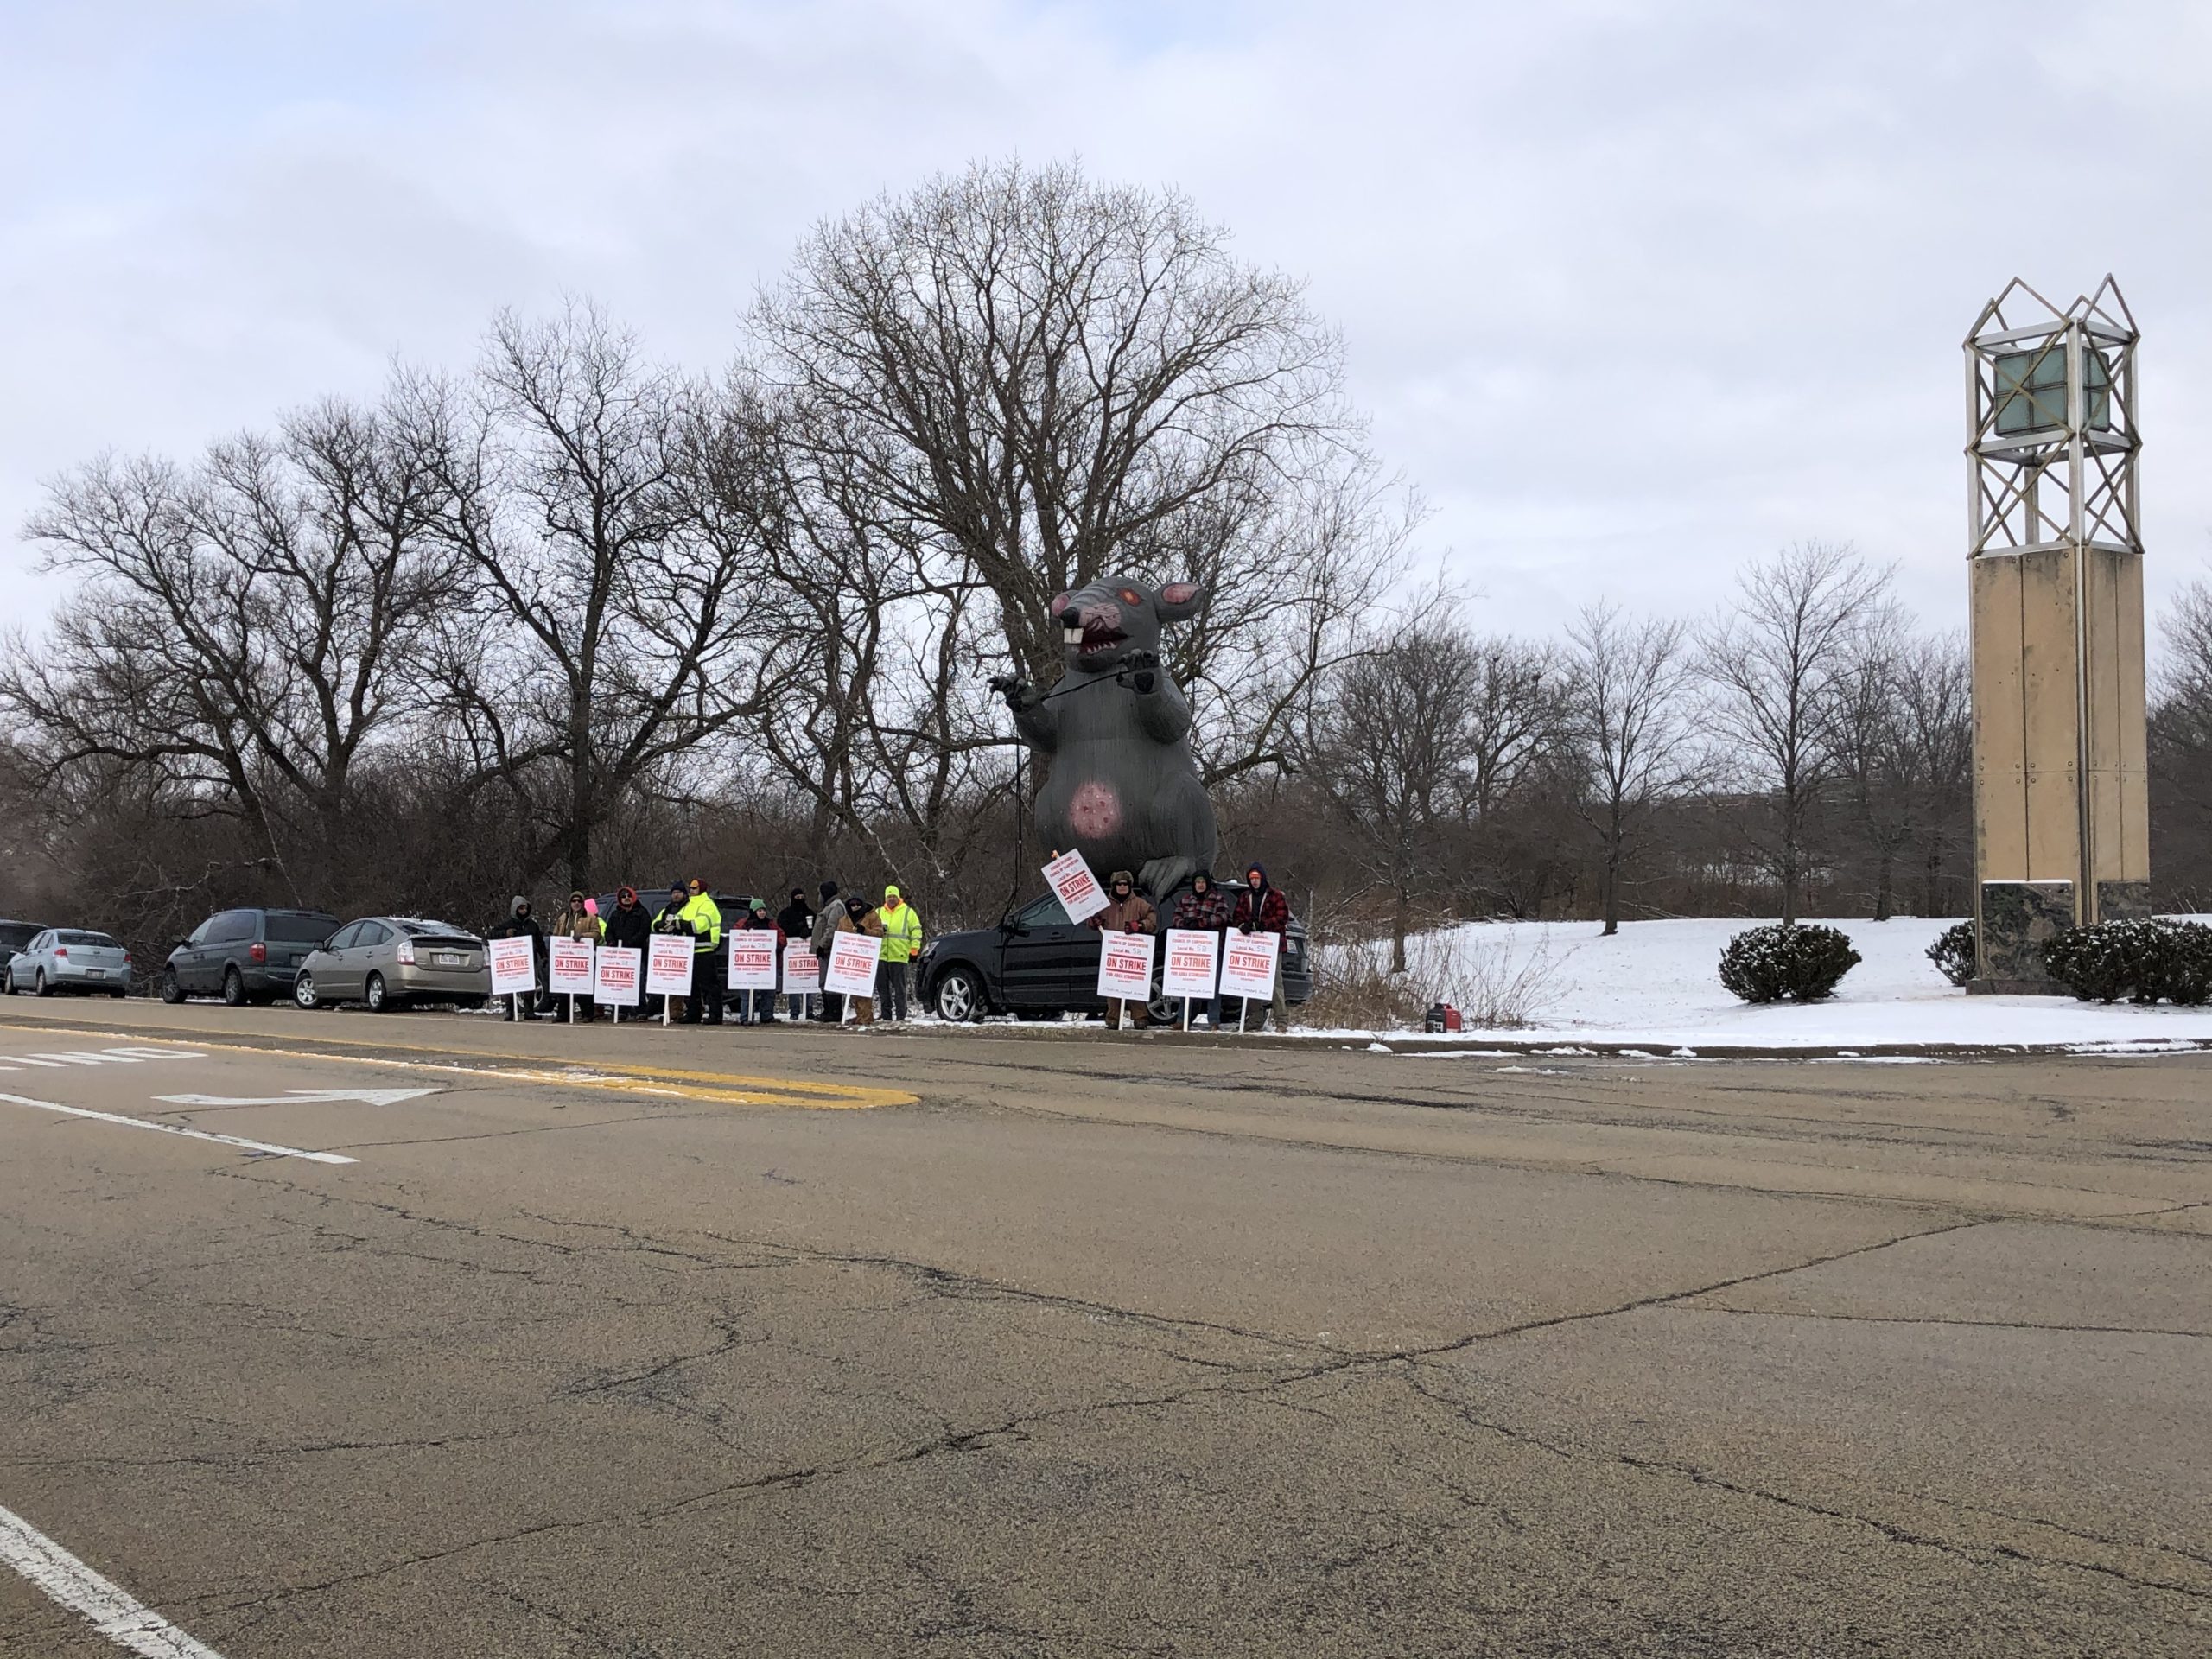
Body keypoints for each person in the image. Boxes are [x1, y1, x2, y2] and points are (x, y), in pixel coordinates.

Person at [1088, 869, 1157, 1030]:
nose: (1122, 886)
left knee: (1135, 984)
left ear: (1130, 885)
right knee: (1112, 984)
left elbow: (1152, 920)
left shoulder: (1139, 903)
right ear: (1114, 886)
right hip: (1112, 951)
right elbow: (1091, 921)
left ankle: (1140, 1017)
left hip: (1134, 951)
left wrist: (1139, 925)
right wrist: (1094, 922)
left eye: (1125, 883)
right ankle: (1113, 1017)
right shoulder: (1104, 904)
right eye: (1119, 884)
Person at [1230, 861, 1293, 1033]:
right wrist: (1243, 925)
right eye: (1252, 878)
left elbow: (1282, 917)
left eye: (1257, 878)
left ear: (1263, 878)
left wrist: (1263, 925)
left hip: (1272, 945)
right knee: (1251, 981)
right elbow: (1236, 917)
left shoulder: (1276, 896)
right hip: (1250, 946)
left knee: (1275, 983)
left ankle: (1281, 1020)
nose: (1255, 881)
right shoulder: (1245, 897)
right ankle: (1255, 1018)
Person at [1167, 869, 1232, 1027]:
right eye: (1197, 882)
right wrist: (1184, 924)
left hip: (1212, 949)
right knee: (1186, 983)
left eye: (1203, 882)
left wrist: (1202, 922)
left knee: (1213, 985)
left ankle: (1214, 1020)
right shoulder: (1186, 899)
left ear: (1207, 883)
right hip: (1190, 949)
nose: (1200, 885)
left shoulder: (1218, 899)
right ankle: (1182, 1019)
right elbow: (1175, 916)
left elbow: (1224, 917)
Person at [487, 895, 547, 1020]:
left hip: (529, 961)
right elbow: (491, 935)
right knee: (510, 986)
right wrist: (505, 933)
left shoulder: (533, 925)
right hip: (511, 961)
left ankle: (529, 1011)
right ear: (515, 909)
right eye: (521, 908)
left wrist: (544, 956)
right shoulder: (507, 924)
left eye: (525, 908)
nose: (524, 911)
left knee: (530, 986)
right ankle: (510, 1011)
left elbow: (540, 941)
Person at [678, 877, 724, 1026]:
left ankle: (715, 1015)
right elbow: (676, 919)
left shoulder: (707, 904)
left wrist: (679, 924)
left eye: (694, 888)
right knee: (691, 985)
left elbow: (699, 926)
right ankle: (693, 1014)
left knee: (710, 985)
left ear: (702, 889)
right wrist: (672, 923)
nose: (691, 890)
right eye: (690, 888)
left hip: (704, 950)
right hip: (689, 950)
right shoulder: (688, 904)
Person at [600, 886, 651, 1019]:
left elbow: (645, 930)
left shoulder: (641, 912)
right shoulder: (615, 914)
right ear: (619, 899)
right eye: (623, 896)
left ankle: (640, 1009)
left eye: (629, 896)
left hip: (637, 952)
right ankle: (622, 1009)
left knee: (638, 981)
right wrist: (611, 941)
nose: (626, 898)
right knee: (622, 981)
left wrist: (631, 943)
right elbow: (608, 931)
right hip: (619, 954)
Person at [551, 890, 604, 1020]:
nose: (576, 903)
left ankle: (587, 1014)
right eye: (574, 901)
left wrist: (583, 936)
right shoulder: (563, 917)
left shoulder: (590, 918)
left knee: (583, 986)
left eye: (579, 901)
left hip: (582, 957)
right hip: (566, 956)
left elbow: (597, 934)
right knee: (564, 985)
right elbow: (556, 934)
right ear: (570, 903)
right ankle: (563, 1014)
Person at [834, 891, 884, 1025]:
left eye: (858, 904)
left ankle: (866, 1017)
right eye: (852, 904)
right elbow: (839, 937)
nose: (855, 907)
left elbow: (880, 933)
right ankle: (859, 1015)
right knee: (853, 988)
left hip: (866, 957)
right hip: (850, 957)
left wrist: (865, 931)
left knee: (864, 988)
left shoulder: (872, 916)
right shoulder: (844, 920)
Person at [652, 883, 698, 1021]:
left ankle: (690, 1011)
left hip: (684, 948)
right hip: (668, 949)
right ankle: (673, 1011)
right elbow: (654, 924)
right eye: (674, 893)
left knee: (686, 983)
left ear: (684, 894)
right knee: (670, 981)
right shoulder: (667, 909)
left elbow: (692, 925)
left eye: (679, 892)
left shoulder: (689, 907)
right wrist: (660, 925)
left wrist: (678, 926)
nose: (676, 895)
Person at [876, 884, 922, 1022]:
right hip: (881, 956)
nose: (891, 899)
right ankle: (886, 1016)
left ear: (898, 897)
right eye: (889, 896)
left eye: (893, 896)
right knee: (883, 989)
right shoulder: (878, 912)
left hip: (899, 957)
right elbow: (869, 929)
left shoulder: (908, 912)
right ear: (885, 898)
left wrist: (914, 950)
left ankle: (901, 1016)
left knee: (900, 990)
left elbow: (916, 931)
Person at [734, 900, 783, 1024]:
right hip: (748, 965)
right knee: (747, 992)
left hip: (768, 965)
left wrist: (779, 944)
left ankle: (766, 1016)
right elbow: (735, 937)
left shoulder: (770, 924)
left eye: (763, 910)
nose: (762, 913)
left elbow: (782, 936)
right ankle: (746, 1017)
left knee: (769, 991)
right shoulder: (743, 924)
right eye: (759, 910)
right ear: (753, 911)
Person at [776, 887, 816, 1020]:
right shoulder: (785, 914)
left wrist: (808, 931)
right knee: (793, 980)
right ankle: (794, 1010)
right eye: (797, 898)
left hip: (807, 951)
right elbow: (782, 929)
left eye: (801, 897)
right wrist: (798, 928)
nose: (800, 900)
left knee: (809, 978)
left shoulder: (810, 913)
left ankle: (809, 1009)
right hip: (792, 952)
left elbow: (816, 928)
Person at [810, 880, 844, 1023]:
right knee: (824, 981)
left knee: (830, 981)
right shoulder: (828, 907)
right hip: (825, 951)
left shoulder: (836, 906)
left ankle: (835, 1012)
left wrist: (821, 945)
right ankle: (828, 1010)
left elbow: (832, 929)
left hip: (830, 950)